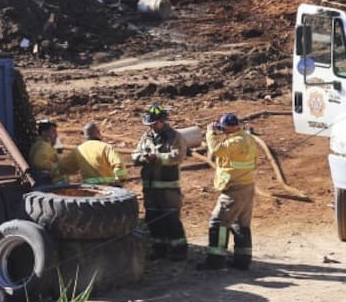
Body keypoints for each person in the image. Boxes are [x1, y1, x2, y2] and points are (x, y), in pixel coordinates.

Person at [197, 113, 260, 271]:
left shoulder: (236, 141)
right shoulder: (248, 138)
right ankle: (242, 260)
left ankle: (215, 260)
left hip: (234, 189)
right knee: (241, 223)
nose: (222, 130)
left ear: (232, 127)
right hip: (247, 186)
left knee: (219, 223)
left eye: (224, 128)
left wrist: (210, 133)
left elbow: (216, 150)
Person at [131, 104, 189, 261]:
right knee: (153, 218)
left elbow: (178, 156)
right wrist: (142, 157)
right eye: (149, 124)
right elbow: (135, 154)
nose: (152, 127)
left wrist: (158, 158)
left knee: (171, 218)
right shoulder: (146, 136)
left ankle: (179, 250)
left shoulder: (174, 136)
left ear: (163, 121)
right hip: (150, 188)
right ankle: (159, 249)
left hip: (168, 187)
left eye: (154, 123)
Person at [59, 121, 127, 185]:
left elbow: (64, 167)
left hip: (89, 190)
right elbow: (119, 164)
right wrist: (119, 180)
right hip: (108, 188)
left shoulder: (78, 150)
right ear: (98, 132)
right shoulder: (106, 148)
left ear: (85, 136)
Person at [28, 119, 63, 187]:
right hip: (48, 182)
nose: (56, 135)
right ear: (43, 133)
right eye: (53, 132)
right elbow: (39, 162)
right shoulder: (44, 145)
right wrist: (56, 167)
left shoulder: (38, 144)